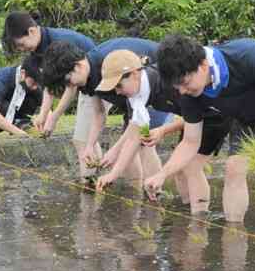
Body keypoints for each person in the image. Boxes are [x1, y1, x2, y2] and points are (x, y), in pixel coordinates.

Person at [144, 35, 255, 224]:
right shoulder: (190, 95)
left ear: (203, 65)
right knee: (234, 167)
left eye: (185, 83)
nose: (181, 91)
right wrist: (162, 174)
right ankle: (234, 234)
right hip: (246, 113)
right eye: (177, 87)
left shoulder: (248, 56)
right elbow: (190, 142)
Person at [92, 50, 232, 214]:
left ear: (135, 74)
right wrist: (114, 174)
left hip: (215, 116)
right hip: (194, 118)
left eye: (118, 85)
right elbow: (136, 134)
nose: (117, 92)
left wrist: (164, 130)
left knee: (191, 166)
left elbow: (198, 112)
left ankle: (199, 222)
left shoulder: (168, 85)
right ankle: (188, 212)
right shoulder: (136, 98)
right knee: (179, 170)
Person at [40, 38, 171, 182]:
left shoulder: (109, 65)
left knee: (144, 142)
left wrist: (115, 150)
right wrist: (90, 146)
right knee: (128, 148)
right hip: (134, 102)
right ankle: (136, 192)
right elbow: (99, 113)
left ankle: (153, 190)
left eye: (67, 81)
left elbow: (138, 120)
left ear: (77, 66)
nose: (69, 86)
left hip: (157, 89)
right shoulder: (87, 78)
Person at [1, 11, 98, 166]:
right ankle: (94, 177)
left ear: (31, 31)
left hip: (98, 82)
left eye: (20, 44)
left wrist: (53, 117)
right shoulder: (37, 50)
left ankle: (91, 181)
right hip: (84, 85)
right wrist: (43, 114)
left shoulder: (56, 43)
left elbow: (71, 85)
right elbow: (49, 85)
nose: (21, 49)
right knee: (85, 138)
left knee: (82, 139)